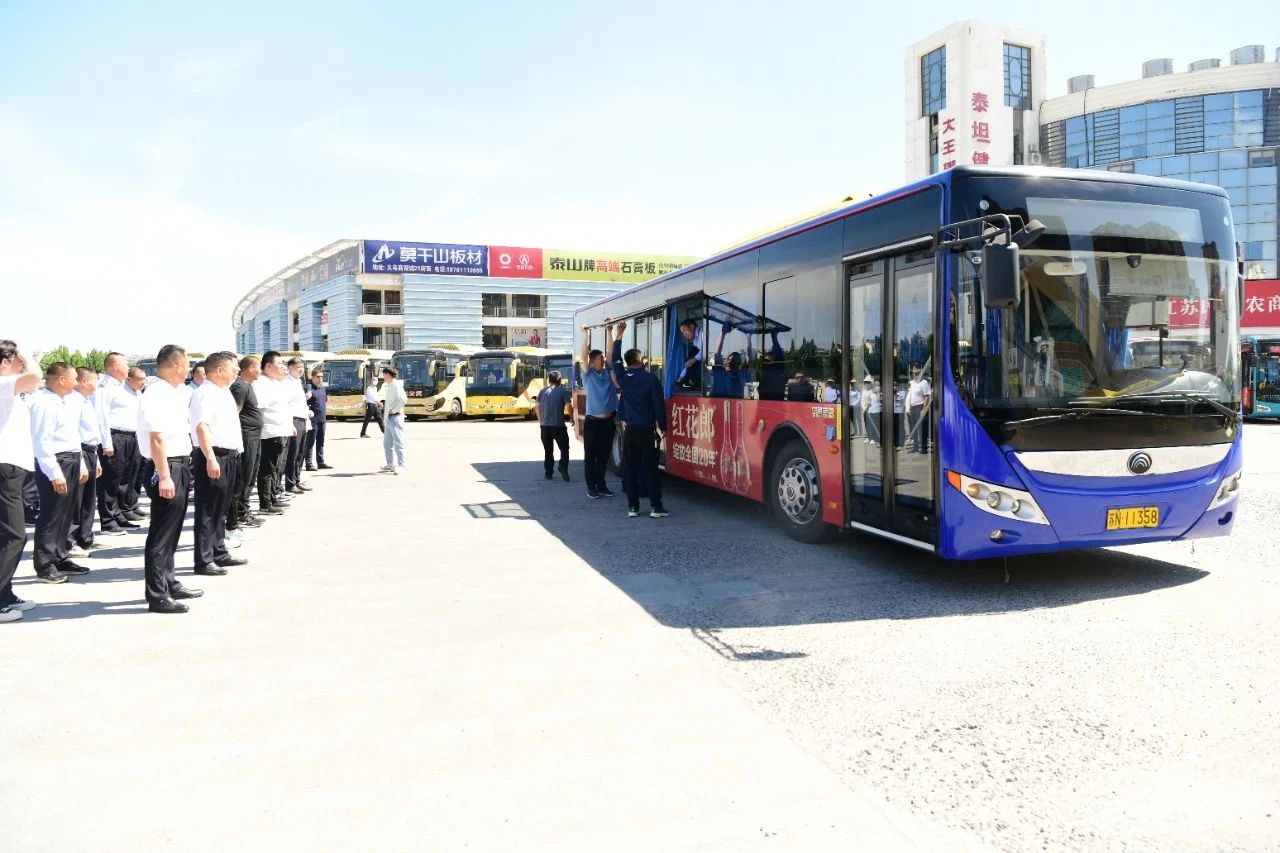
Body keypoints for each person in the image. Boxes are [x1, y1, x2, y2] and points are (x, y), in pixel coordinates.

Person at [137, 345, 202, 613]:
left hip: (178, 464)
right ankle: (157, 595)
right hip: (165, 467)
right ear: (177, 366)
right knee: (161, 533)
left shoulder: (173, 392)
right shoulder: (157, 393)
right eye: (186, 364)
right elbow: (156, 438)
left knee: (173, 530)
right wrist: (164, 476)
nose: (188, 369)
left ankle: (169, 581)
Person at [29, 362, 91, 583]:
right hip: (56, 462)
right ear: (61, 379)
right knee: (52, 515)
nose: (76, 383)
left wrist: (80, 462)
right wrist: (54, 472)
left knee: (66, 513)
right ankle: (45, 564)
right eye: (73, 378)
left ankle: (59, 555)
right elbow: (41, 442)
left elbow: (72, 436)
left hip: (71, 459)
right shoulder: (43, 403)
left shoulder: (65, 402)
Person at [190, 352, 246, 576]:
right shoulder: (205, 393)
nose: (237, 371)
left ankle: (219, 551)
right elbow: (201, 427)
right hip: (213, 456)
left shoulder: (223, 392)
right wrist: (211, 459)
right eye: (233, 368)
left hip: (229, 456)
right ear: (220, 370)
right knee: (207, 510)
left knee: (221, 508)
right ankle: (203, 560)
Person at [0, 341, 41, 622]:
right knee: (15, 535)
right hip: (5, 469)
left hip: (12, 470)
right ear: (5, 362)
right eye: (18, 362)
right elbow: (35, 376)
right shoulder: (3, 383)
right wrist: (27, 355)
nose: (22, 367)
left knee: (7, 536)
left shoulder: (9, 388)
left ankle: (5, 594)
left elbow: (33, 386)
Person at [611, 320, 668, 518]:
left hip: (629, 432)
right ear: (640, 360)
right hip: (646, 431)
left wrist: (618, 336)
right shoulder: (650, 379)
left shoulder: (623, 377)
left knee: (631, 469)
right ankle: (656, 507)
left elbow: (615, 359)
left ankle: (633, 507)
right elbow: (658, 405)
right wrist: (663, 426)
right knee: (651, 469)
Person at [95, 353, 143, 533]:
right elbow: (101, 416)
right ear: (115, 365)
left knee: (125, 479)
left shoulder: (124, 386)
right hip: (115, 437)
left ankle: (119, 514)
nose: (128, 367)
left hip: (130, 437)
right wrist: (106, 442)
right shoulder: (104, 387)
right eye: (125, 363)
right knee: (111, 480)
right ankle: (108, 521)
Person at [68, 367, 104, 555]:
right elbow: (73, 432)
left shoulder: (86, 401)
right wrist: (81, 460)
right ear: (83, 381)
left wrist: (96, 459)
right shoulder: (73, 401)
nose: (96, 384)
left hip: (91, 451)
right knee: (76, 500)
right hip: (80, 451)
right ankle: (70, 541)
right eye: (94, 380)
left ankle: (85, 536)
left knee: (88, 499)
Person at [254, 351, 295, 515]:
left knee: (275, 469)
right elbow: (259, 409)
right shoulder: (260, 383)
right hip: (269, 433)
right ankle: (265, 504)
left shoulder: (275, 382)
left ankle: (272, 497)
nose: (282, 366)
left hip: (279, 431)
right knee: (267, 469)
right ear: (268, 366)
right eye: (279, 363)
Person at [579, 324, 618, 498]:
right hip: (593, 422)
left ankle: (601, 485)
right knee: (590, 456)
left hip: (608, 422)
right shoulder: (588, 374)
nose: (603, 360)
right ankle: (591, 487)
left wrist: (610, 331)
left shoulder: (607, 371)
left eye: (603, 358)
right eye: (600, 358)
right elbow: (583, 356)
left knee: (603, 456)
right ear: (592, 361)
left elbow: (610, 352)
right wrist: (586, 335)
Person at [228, 355, 266, 529]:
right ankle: (240, 514)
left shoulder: (248, 386)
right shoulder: (239, 386)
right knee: (244, 477)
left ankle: (244, 510)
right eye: (258, 367)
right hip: (247, 437)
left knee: (251, 476)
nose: (260, 371)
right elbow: (233, 413)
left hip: (254, 437)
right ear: (250, 368)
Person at [536, 370, 572, 482]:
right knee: (564, 449)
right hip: (559, 426)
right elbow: (568, 406)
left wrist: (540, 421)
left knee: (548, 450)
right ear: (560, 381)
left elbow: (537, 406)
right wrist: (572, 418)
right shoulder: (563, 391)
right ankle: (563, 466)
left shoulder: (542, 392)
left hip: (545, 427)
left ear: (549, 380)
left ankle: (548, 473)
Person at [282, 357, 311, 494]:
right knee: (292, 454)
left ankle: (297, 480)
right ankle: (290, 483)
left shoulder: (298, 381)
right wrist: (289, 423)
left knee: (300, 453)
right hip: (294, 420)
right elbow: (286, 404)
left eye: (302, 367)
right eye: (298, 367)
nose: (301, 370)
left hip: (303, 419)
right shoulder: (287, 382)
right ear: (290, 368)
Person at [380, 366, 407, 474]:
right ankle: (390, 463)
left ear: (388, 375)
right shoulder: (390, 386)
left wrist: (394, 409)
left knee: (398, 443)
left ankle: (402, 466)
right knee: (387, 443)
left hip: (396, 417)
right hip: (389, 418)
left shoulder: (396, 385)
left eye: (384, 374)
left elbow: (403, 400)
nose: (383, 377)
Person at [304, 368, 330, 471]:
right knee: (310, 442)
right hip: (313, 420)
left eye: (322, 377)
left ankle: (320, 462)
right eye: (318, 376)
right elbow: (303, 402)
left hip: (322, 419)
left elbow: (325, 401)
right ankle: (309, 463)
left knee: (321, 441)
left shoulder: (322, 388)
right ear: (313, 377)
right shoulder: (309, 388)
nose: (320, 379)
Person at [906, 364, 932, 454]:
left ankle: (923, 448)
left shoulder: (924, 383)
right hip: (913, 407)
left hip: (920, 407)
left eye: (917, 370)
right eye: (914, 369)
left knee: (922, 429)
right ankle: (916, 446)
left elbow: (926, 397)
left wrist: (923, 410)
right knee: (914, 428)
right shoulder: (912, 383)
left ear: (920, 371)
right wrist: (909, 408)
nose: (916, 371)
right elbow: (910, 396)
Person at [676, 319, 702, 389]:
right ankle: (689, 380)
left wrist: (694, 359)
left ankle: (692, 380)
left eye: (685, 330)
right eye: (682, 332)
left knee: (693, 352)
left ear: (692, 327)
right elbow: (689, 363)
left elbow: (705, 351)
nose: (684, 334)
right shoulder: (695, 341)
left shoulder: (703, 333)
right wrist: (681, 376)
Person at [862, 378, 881, 446]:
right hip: (869, 410)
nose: (876, 384)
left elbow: (879, 399)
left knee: (876, 425)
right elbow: (865, 400)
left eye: (877, 382)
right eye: (875, 383)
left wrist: (877, 393)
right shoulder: (869, 391)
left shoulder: (878, 390)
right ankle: (870, 438)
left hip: (876, 410)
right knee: (869, 425)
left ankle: (875, 439)